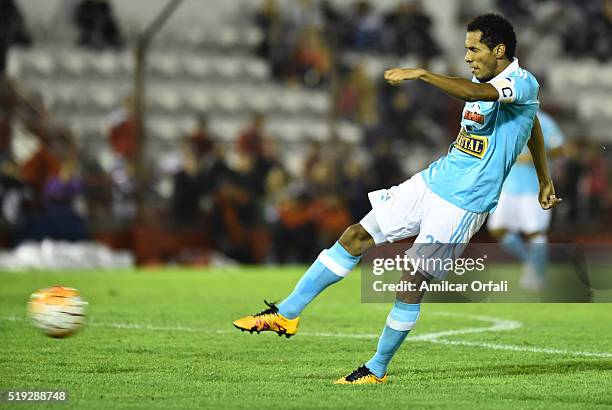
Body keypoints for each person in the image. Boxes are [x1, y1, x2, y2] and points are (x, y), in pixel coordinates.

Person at [233, 13, 561, 384]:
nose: (467, 56)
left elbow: (480, 97)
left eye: (474, 49)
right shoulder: (489, 79)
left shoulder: (521, 82)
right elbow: (529, 122)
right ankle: (287, 313)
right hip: (432, 181)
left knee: (411, 281)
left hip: (464, 203)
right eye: (466, 49)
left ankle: (376, 369)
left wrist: (421, 73)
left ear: (498, 50)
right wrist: (545, 179)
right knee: (355, 235)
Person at [487, 111, 565, 291]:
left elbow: (560, 149)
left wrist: (536, 156)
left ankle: (540, 278)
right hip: (507, 187)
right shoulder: (504, 118)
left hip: (534, 187)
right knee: (497, 229)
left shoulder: (543, 121)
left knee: (536, 233)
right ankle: (530, 262)